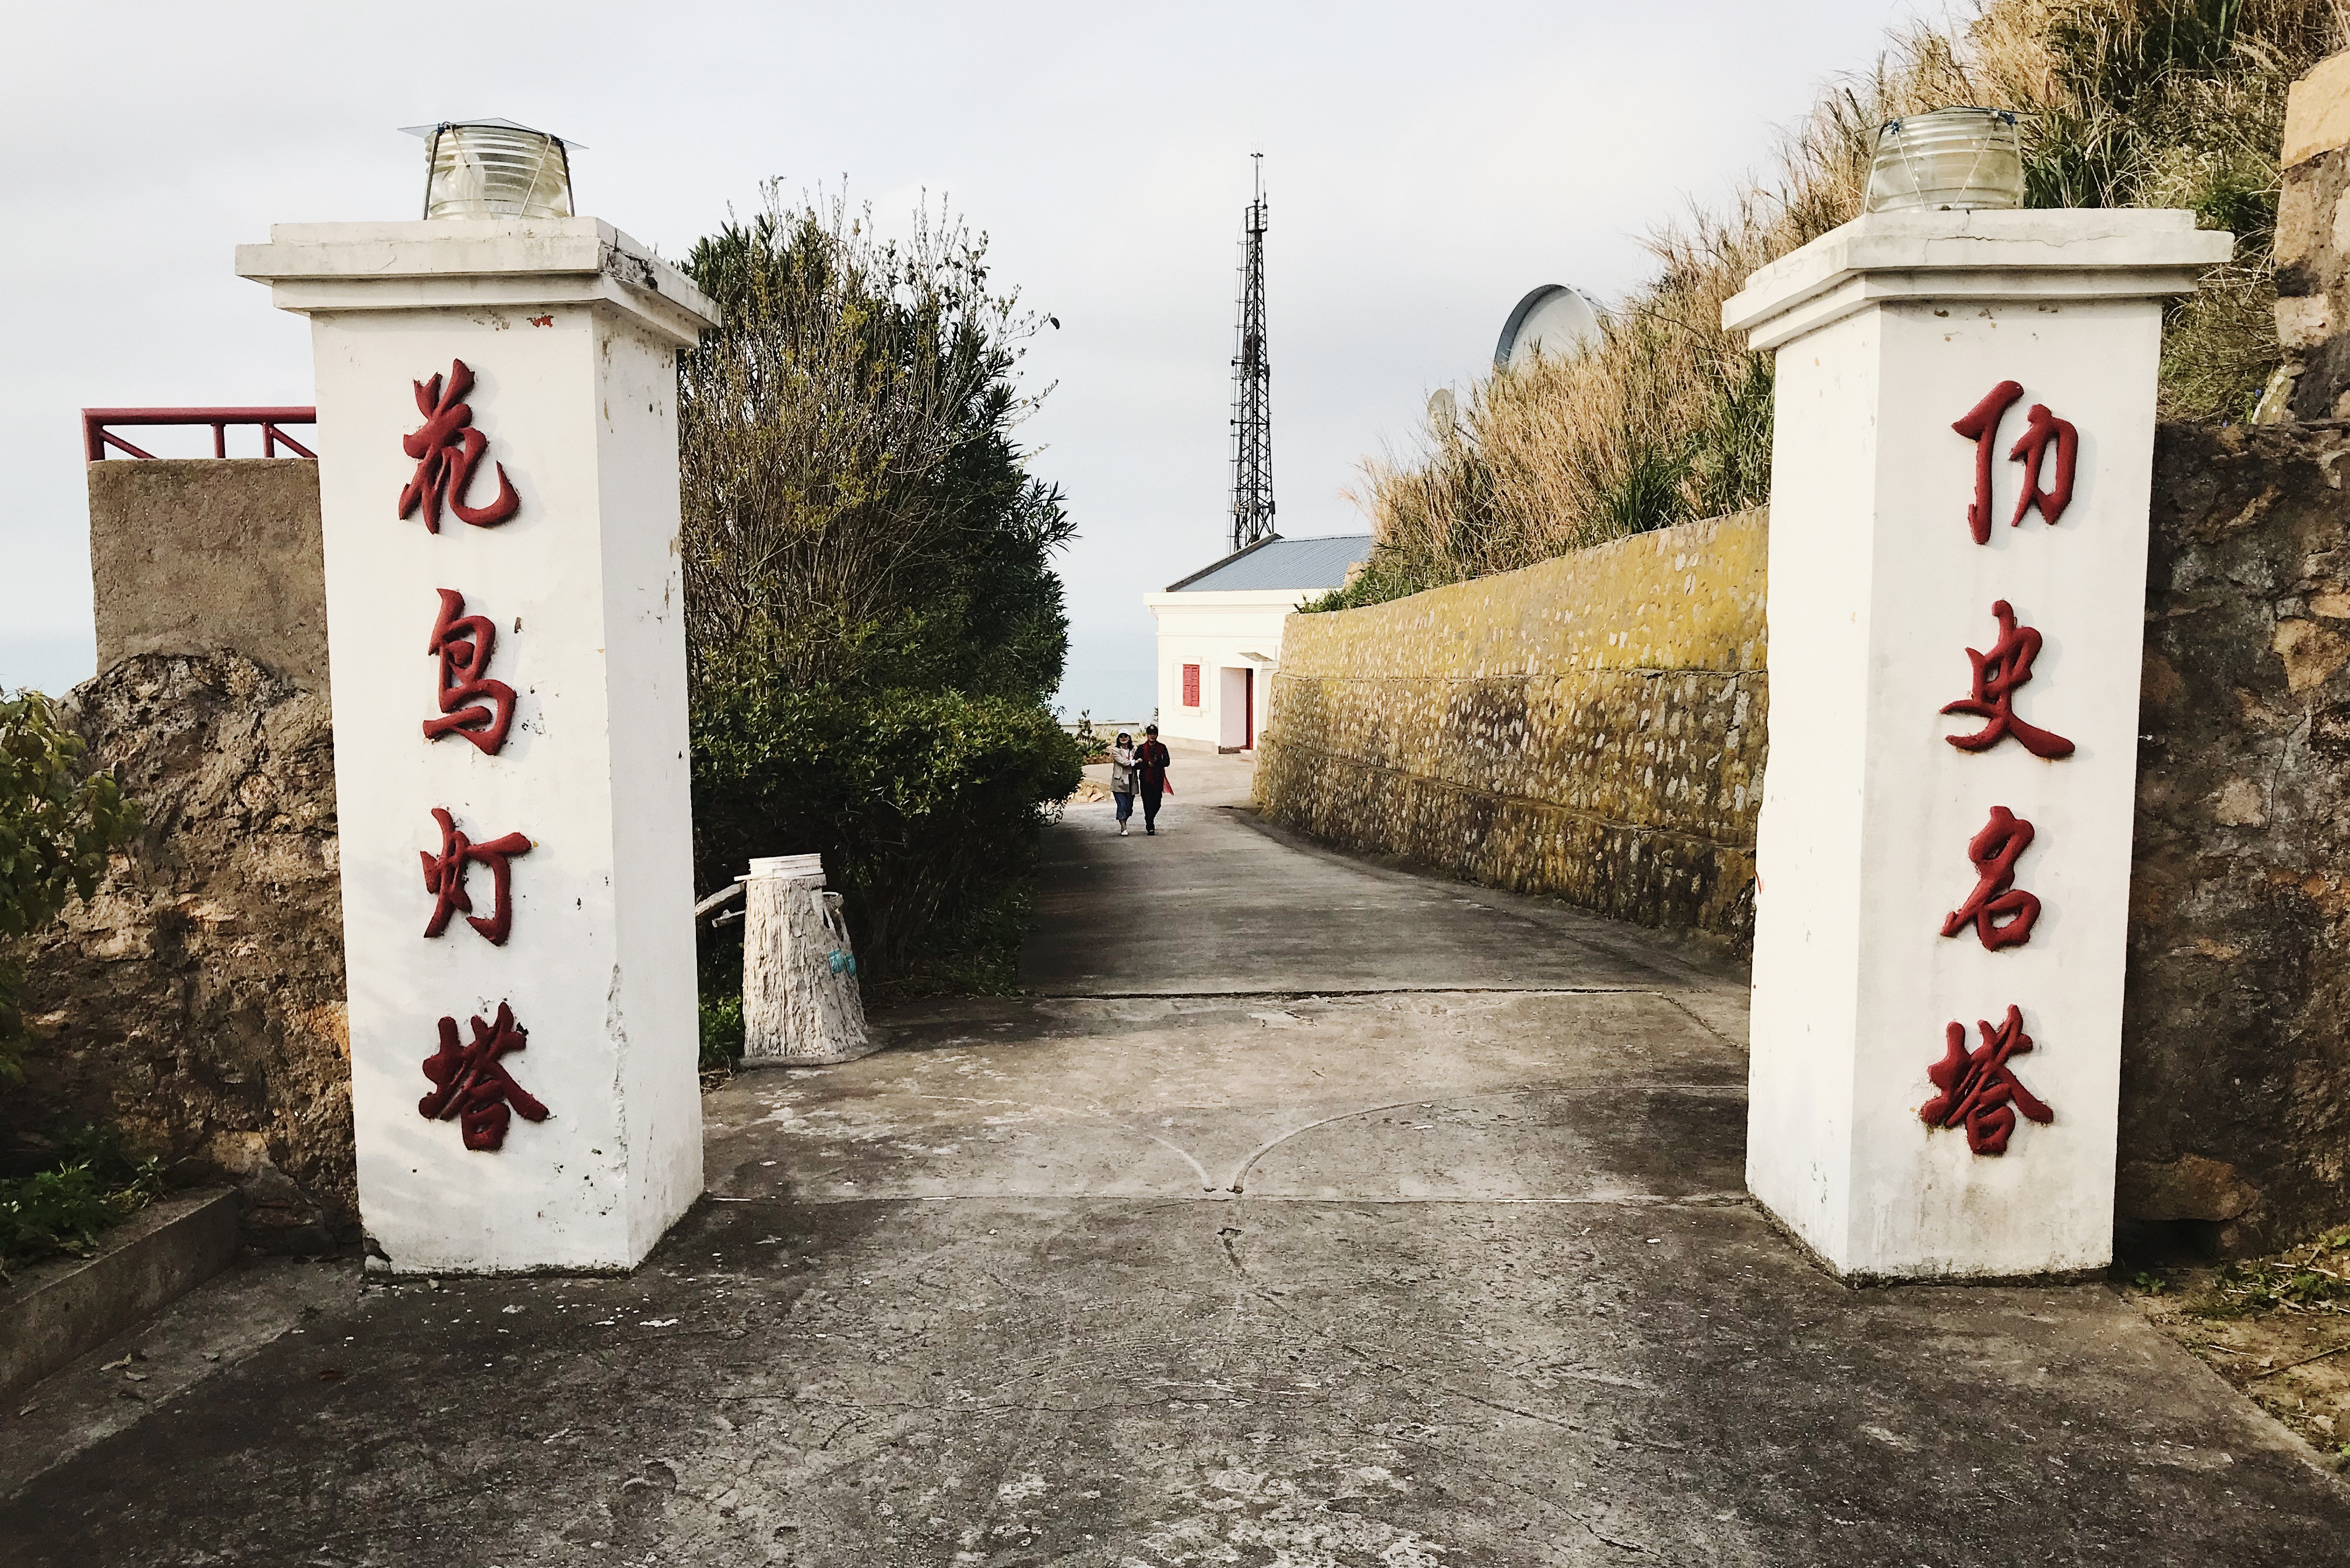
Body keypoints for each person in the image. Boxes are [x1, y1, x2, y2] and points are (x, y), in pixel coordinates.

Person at [1134, 723, 1173, 835]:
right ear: (1147, 735)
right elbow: (1136, 764)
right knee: (1147, 803)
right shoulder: (1141, 748)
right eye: (1150, 734)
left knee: (1157, 803)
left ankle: (1149, 818)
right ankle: (1150, 825)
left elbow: (1167, 762)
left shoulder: (1162, 747)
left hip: (1158, 778)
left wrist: (1157, 762)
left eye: (1154, 734)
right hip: (1146, 779)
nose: (1152, 736)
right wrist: (1147, 764)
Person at [1109, 732, 1137, 836]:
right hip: (1119, 782)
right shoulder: (1116, 750)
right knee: (1122, 805)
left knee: (1129, 807)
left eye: (1125, 736)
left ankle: (1125, 820)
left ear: (1129, 738)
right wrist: (1135, 762)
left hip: (1131, 782)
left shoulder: (1134, 750)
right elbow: (1123, 762)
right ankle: (1123, 827)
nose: (1123, 738)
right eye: (1121, 736)